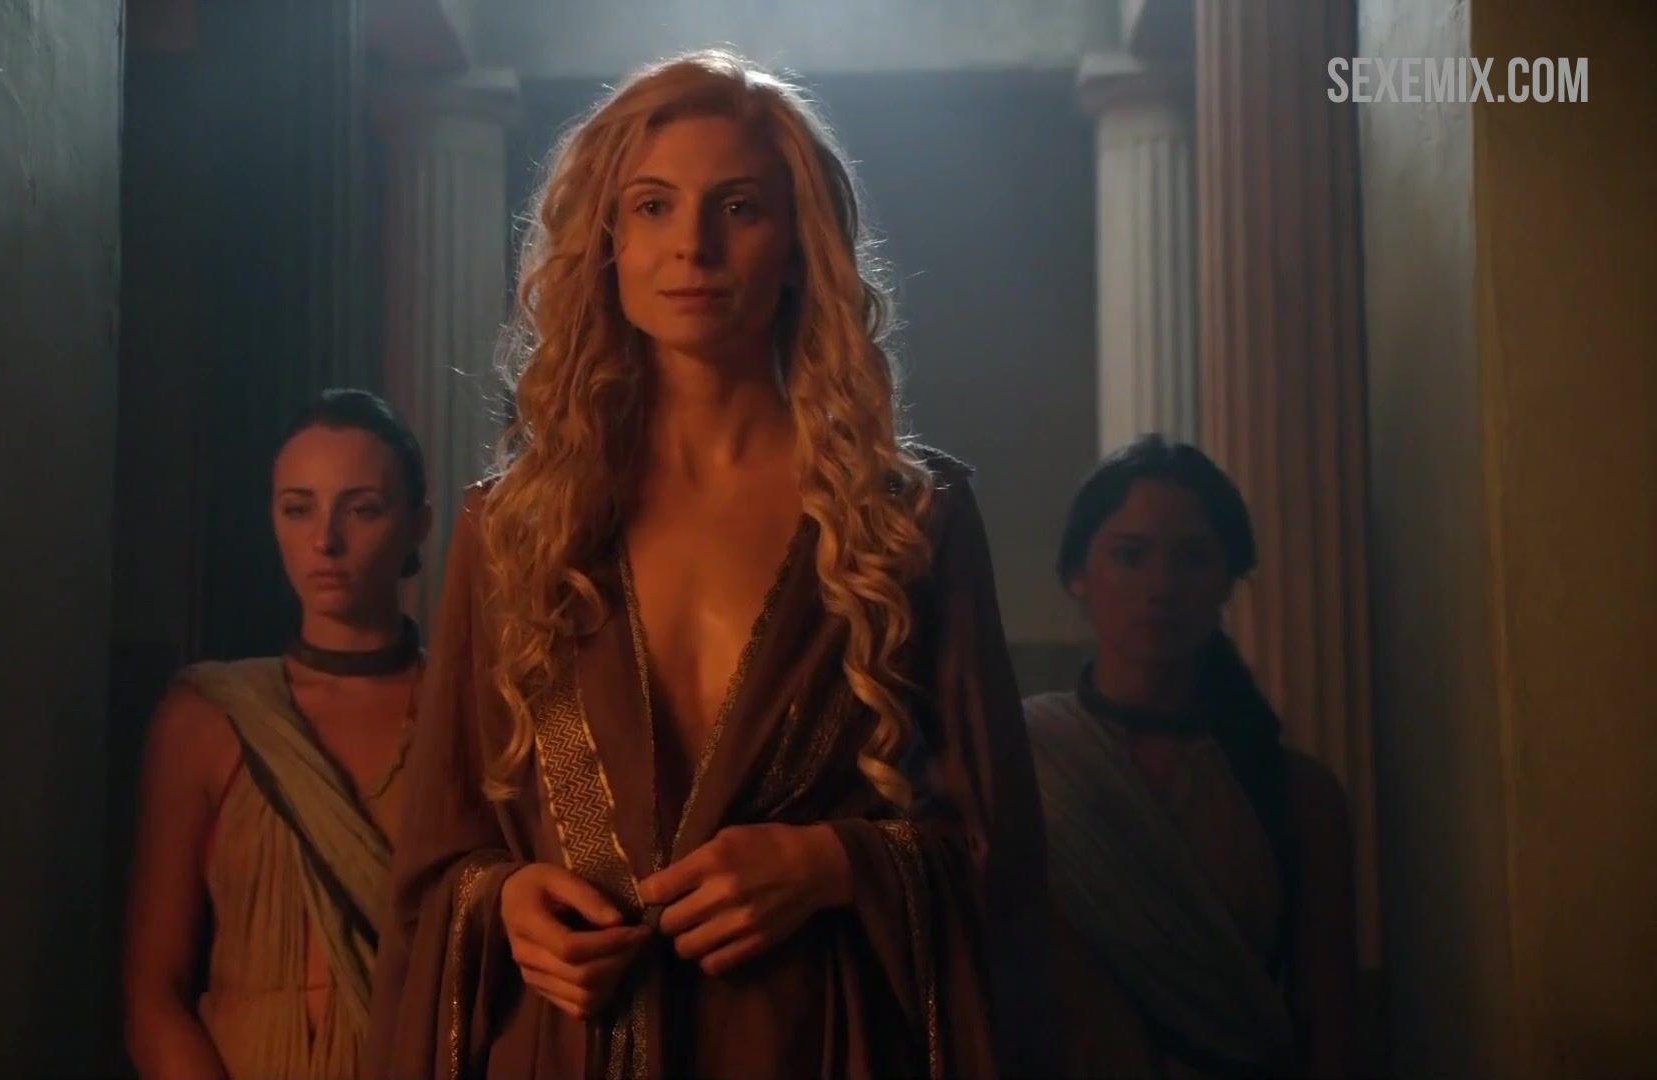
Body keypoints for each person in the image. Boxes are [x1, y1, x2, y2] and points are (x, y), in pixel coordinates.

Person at [365, 49, 1052, 1080]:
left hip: (808, 1041)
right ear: (607, 242)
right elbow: (436, 863)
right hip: (567, 1043)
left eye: (738, 208)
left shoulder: (906, 520)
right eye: (652, 207)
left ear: (800, 247)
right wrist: (509, 904)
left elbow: (1002, 857)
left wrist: (832, 864)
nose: (692, 245)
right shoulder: (512, 529)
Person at [124, 390, 434, 1079]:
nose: (325, 541)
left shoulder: (466, 712)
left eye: (362, 509)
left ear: (418, 525)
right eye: (298, 509)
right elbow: (153, 996)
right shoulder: (210, 717)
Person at [1026, 434, 1357, 1078]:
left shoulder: (1297, 796)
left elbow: (1330, 1026)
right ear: (1077, 575)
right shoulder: (1025, 759)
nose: (1162, 586)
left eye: (1193, 558)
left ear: (1228, 580)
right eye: (1131, 556)